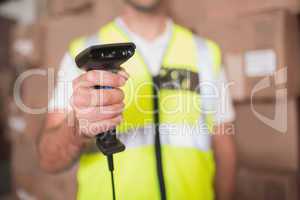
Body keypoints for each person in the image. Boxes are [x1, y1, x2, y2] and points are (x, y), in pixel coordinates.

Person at [38, 0, 236, 199]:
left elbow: (223, 145)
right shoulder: (82, 52)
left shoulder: (205, 53)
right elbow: (48, 159)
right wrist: (77, 128)